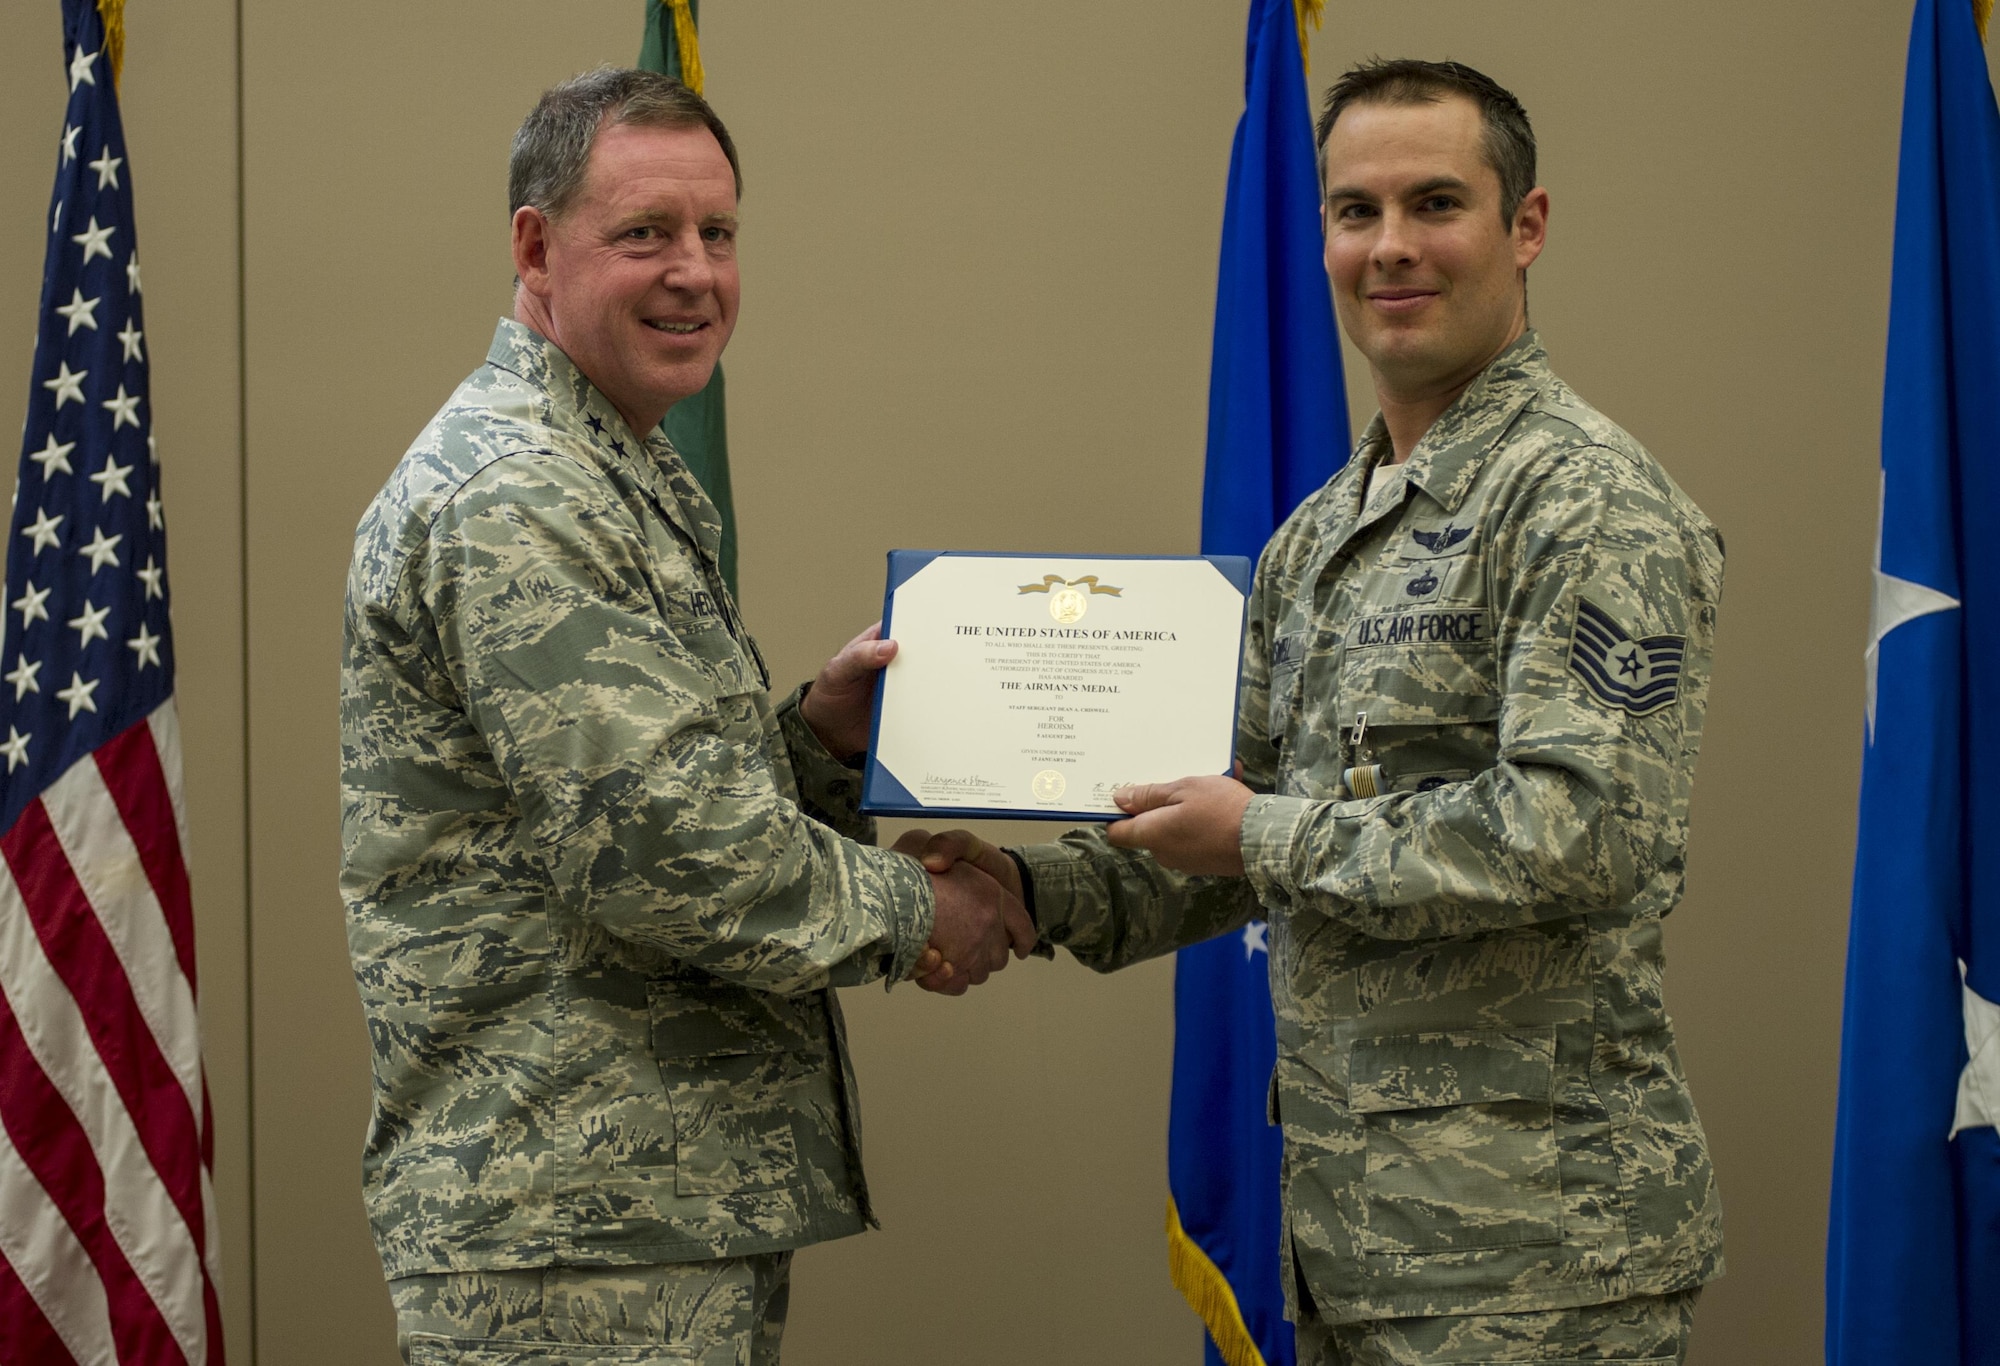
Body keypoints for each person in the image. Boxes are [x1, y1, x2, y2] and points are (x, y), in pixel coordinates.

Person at [911, 59, 1724, 1364]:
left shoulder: (1584, 503)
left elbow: (1579, 831)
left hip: (1538, 1263)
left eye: (1436, 203)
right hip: (1352, 1246)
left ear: (1527, 227)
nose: (1390, 247)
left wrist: (1261, 835)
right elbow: (1220, 829)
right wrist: (1020, 888)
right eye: (1355, 211)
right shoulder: (1316, 540)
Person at [339, 68, 1031, 1365]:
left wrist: (814, 745)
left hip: (627, 1212)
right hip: (568, 1237)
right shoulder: (518, 496)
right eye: (646, 232)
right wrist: (924, 911)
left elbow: (608, 811)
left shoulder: (610, 464)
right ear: (537, 247)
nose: (696, 272)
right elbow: (657, 849)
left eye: (719, 233)